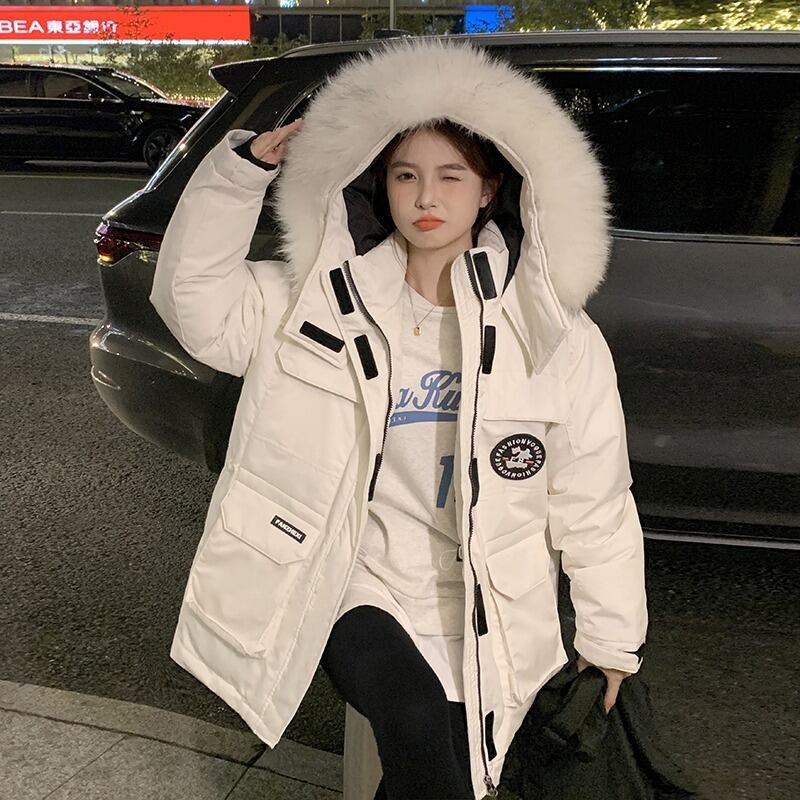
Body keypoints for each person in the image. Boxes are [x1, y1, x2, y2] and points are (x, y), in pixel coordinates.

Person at [150, 37, 648, 800]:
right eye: (405, 174)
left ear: (490, 190)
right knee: (414, 725)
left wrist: (610, 638)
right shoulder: (314, 304)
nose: (425, 197)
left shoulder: (552, 335)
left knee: (454, 772)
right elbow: (193, 305)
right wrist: (238, 174)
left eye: (452, 176)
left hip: (488, 599)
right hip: (355, 581)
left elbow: (595, 498)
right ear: (378, 184)